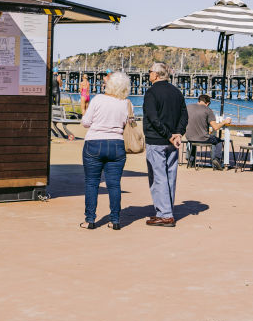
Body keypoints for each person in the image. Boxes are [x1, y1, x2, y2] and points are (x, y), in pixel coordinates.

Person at [79, 71, 131, 230]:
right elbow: (125, 124)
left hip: (94, 143)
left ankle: (90, 220)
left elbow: (86, 122)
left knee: (92, 183)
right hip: (117, 144)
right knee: (114, 185)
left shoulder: (98, 99)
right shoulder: (125, 103)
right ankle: (115, 220)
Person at [143, 62, 187, 227]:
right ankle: (164, 211)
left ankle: (165, 215)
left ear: (156, 74)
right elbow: (184, 115)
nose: (148, 74)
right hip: (172, 142)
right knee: (170, 176)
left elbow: (153, 119)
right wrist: (178, 133)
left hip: (157, 140)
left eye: (150, 72)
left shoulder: (151, 93)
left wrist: (169, 135)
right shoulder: (176, 92)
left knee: (158, 177)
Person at [185, 94, 230, 170]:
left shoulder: (188, 107)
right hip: (203, 138)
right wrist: (224, 121)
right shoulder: (207, 110)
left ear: (199, 100)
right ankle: (217, 159)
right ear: (208, 103)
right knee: (218, 141)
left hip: (189, 137)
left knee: (194, 140)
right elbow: (215, 127)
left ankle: (191, 161)